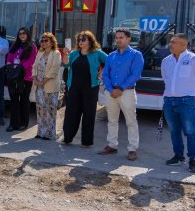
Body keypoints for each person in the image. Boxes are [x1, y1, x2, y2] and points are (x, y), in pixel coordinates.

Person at [161, 33, 195, 173]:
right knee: (174, 130)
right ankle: (178, 156)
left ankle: (193, 159)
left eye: (174, 42)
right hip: (169, 100)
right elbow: (166, 79)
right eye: (170, 41)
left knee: (190, 131)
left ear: (184, 45)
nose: (170, 44)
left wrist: (190, 92)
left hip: (186, 101)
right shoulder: (166, 61)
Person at [99, 28, 144, 161]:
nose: (118, 40)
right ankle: (112, 145)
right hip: (111, 92)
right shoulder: (111, 55)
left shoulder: (136, 55)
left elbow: (135, 74)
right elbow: (105, 74)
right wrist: (110, 88)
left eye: (121, 37)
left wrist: (121, 88)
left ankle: (132, 149)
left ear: (128, 39)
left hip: (127, 92)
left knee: (131, 121)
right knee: (112, 120)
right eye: (117, 38)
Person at [61, 30, 108, 147]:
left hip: (91, 87)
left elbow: (110, 61)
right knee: (71, 112)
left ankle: (86, 141)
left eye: (83, 39)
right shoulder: (74, 53)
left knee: (89, 114)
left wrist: (101, 71)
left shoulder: (97, 53)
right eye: (79, 40)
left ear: (90, 41)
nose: (80, 41)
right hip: (74, 87)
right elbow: (66, 64)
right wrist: (65, 54)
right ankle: (67, 138)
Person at [5, 27, 37, 131]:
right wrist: (10, 66)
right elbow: (9, 57)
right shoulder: (15, 45)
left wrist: (20, 68)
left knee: (24, 100)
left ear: (27, 34)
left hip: (25, 77)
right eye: (20, 34)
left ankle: (24, 123)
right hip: (14, 77)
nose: (22, 35)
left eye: (24, 33)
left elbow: (31, 61)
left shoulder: (32, 46)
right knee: (14, 100)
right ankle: (13, 124)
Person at [31, 32, 61, 140]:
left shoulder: (56, 53)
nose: (43, 42)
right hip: (38, 85)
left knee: (50, 110)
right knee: (40, 109)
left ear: (52, 42)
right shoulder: (40, 53)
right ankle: (41, 132)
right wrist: (35, 79)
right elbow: (34, 66)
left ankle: (50, 133)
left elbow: (54, 70)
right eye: (42, 40)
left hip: (50, 85)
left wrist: (43, 81)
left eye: (46, 40)